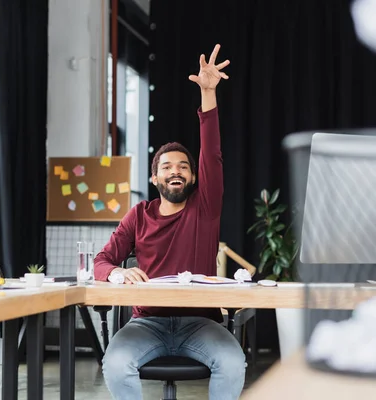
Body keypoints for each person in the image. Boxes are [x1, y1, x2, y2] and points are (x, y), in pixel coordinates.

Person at [94, 43, 245, 400]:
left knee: (234, 363)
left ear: (193, 178)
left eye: (183, 167)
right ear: (155, 179)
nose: (175, 171)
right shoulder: (139, 215)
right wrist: (117, 272)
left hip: (201, 324)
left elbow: (212, 154)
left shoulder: (204, 208)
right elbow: (102, 261)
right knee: (115, 364)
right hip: (147, 324)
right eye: (166, 167)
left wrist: (208, 94)